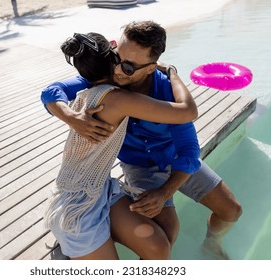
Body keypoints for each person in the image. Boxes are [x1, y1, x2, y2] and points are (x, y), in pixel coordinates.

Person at [42, 21, 242, 260]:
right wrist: (73, 117)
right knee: (169, 231)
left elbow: (189, 152)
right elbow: (51, 91)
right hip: (138, 165)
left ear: (151, 68)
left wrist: (165, 191)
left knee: (231, 210)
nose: (117, 69)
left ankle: (212, 243)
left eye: (128, 67)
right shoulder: (108, 76)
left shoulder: (167, 89)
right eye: (116, 57)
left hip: (173, 159)